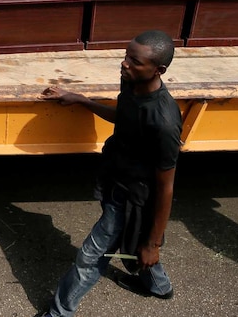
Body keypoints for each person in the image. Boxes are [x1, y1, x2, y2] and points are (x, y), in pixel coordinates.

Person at [39, 30, 182, 317]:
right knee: (131, 243)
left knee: (89, 257)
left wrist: (153, 244)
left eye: (135, 61)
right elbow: (124, 116)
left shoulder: (163, 120)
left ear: (159, 70)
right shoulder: (132, 82)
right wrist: (81, 100)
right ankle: (159, 286)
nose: (125, 64)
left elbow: (166, 187)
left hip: (133, 198)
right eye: (126, 56)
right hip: (114, 176)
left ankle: (58, 313)